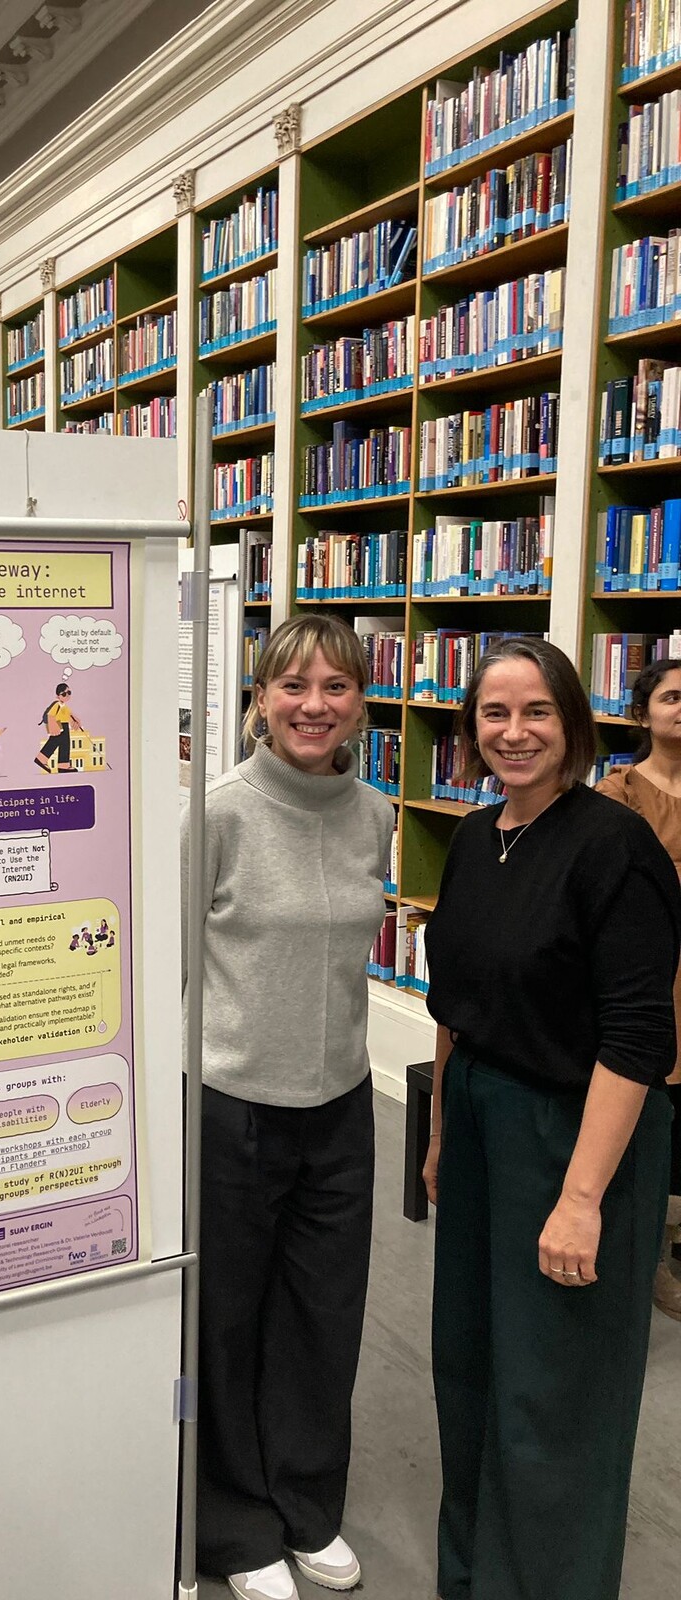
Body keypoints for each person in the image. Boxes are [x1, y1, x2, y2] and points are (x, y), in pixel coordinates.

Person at [423, 636, 680, 1600]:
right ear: (471, 728)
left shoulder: (615, 846)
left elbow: (638, 1036)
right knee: (471, 1364)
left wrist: (581, 1199)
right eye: (495, 712)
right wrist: (441, 1135)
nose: (515, 732)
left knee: (558, 1387)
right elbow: (454, 1008)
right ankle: (474, 1576)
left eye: (537, 711)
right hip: (481, 1121)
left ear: (573, 720)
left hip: (577, 1136)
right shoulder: (474, 838)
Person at [181, 614, 394, 1600]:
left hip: (342, 1105)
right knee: (226, 1318)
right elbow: (171, 969)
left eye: (336, 686)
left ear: (361, 702)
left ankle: (307, 1502)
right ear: (260, 698)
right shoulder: (217, 812)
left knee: (323, 1313)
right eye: (294, 686)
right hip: (233, 1105)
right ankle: (234, 1524)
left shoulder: (375, 813)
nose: (315, 705)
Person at [596, 656, 681, 1319]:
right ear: (643, 713)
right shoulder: (618, 793)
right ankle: (646, 1251)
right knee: (654, 1113)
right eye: (671, 697)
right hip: (654, 975)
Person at [35, 682, 83, 772]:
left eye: (69, 693)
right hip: (59, 725)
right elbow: (50, 715)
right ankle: (41, 758)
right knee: (54, 742)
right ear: (58, 696)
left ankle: (63, 765)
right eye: (64, 694)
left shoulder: (65, 706)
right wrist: (53, 725)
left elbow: (69, 716)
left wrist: (75, 722)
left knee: (65, 744)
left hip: (65, 725)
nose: (67, 695)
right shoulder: (57, 704)